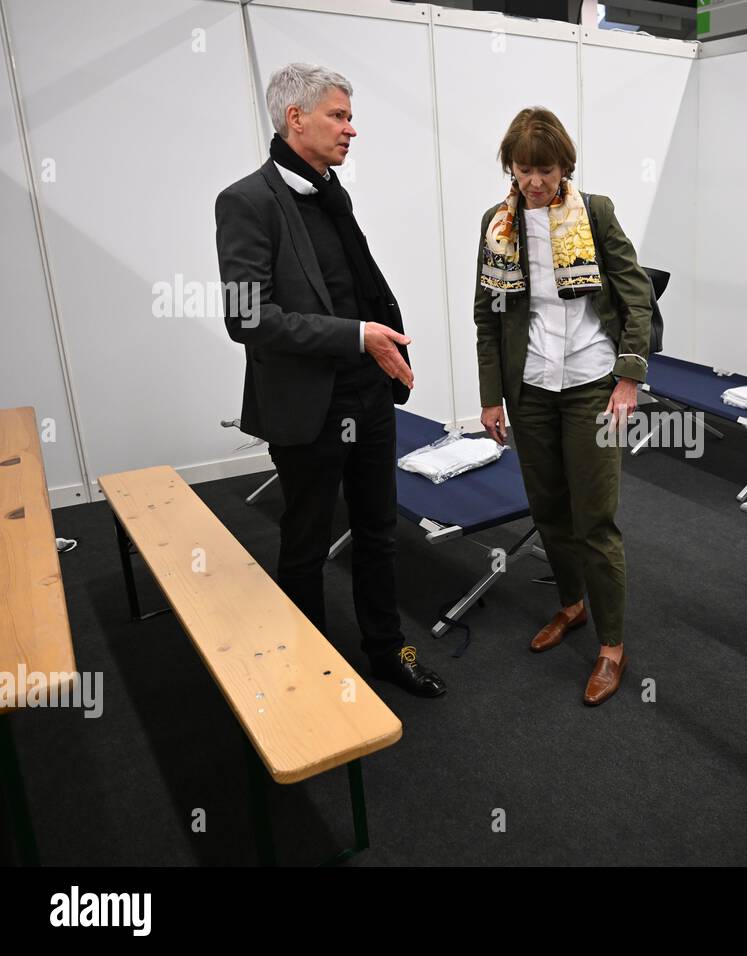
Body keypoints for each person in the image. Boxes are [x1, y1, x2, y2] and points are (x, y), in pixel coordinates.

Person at [215, 62, 445, 698]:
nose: (351, 130)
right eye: (338, 116)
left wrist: (379, 345)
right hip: (306, 406)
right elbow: (247, 316)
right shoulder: (246, 201)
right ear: (296, 119)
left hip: (366, 396)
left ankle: (384, 649)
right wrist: (355, 336)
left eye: (349, 116)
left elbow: (356, 288)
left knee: (378, 532)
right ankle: (307, 671)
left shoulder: (330, 191)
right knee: (307, 543)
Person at [473, 107, 652, 706]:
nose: (535, 183)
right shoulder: (496, 225)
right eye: (524, 170)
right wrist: (490, 396)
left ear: (564, 166)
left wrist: (629, 378)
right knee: (549, 509)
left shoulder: (594, 213)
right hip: (530, 390)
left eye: (545, 170)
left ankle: (612, 645)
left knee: (594, 519)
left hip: (591, 384)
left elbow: (636, 295)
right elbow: (487, 317)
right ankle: (572, 606)